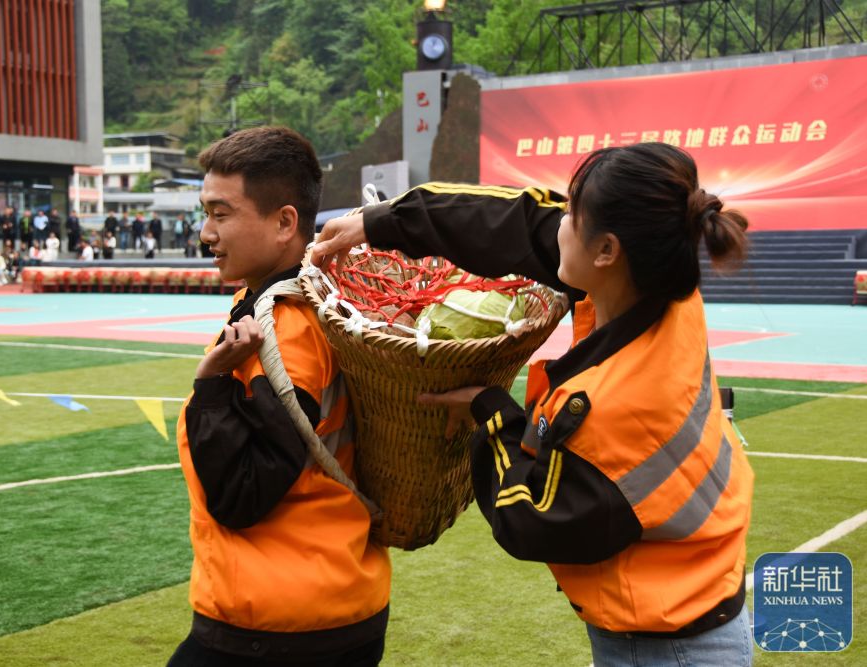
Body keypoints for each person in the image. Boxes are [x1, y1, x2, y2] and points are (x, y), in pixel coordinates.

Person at [312, 143, 754, 666]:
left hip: (668, 645)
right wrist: (381, 222)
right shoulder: (657, 286)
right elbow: (519, 222)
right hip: (683, 611)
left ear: (606, 249)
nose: (558, 223)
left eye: (572, 216)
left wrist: (493, 414)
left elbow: (531, 517)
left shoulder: (623, 404)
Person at [167, 126, 390, 667]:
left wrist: (211, 387)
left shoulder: (285, 332)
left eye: (221, 214)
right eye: (205, 213)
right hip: (341, 595)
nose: (206, 232)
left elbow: (241, 494)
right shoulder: (321, 300)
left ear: (285, 222)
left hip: (274, 622)